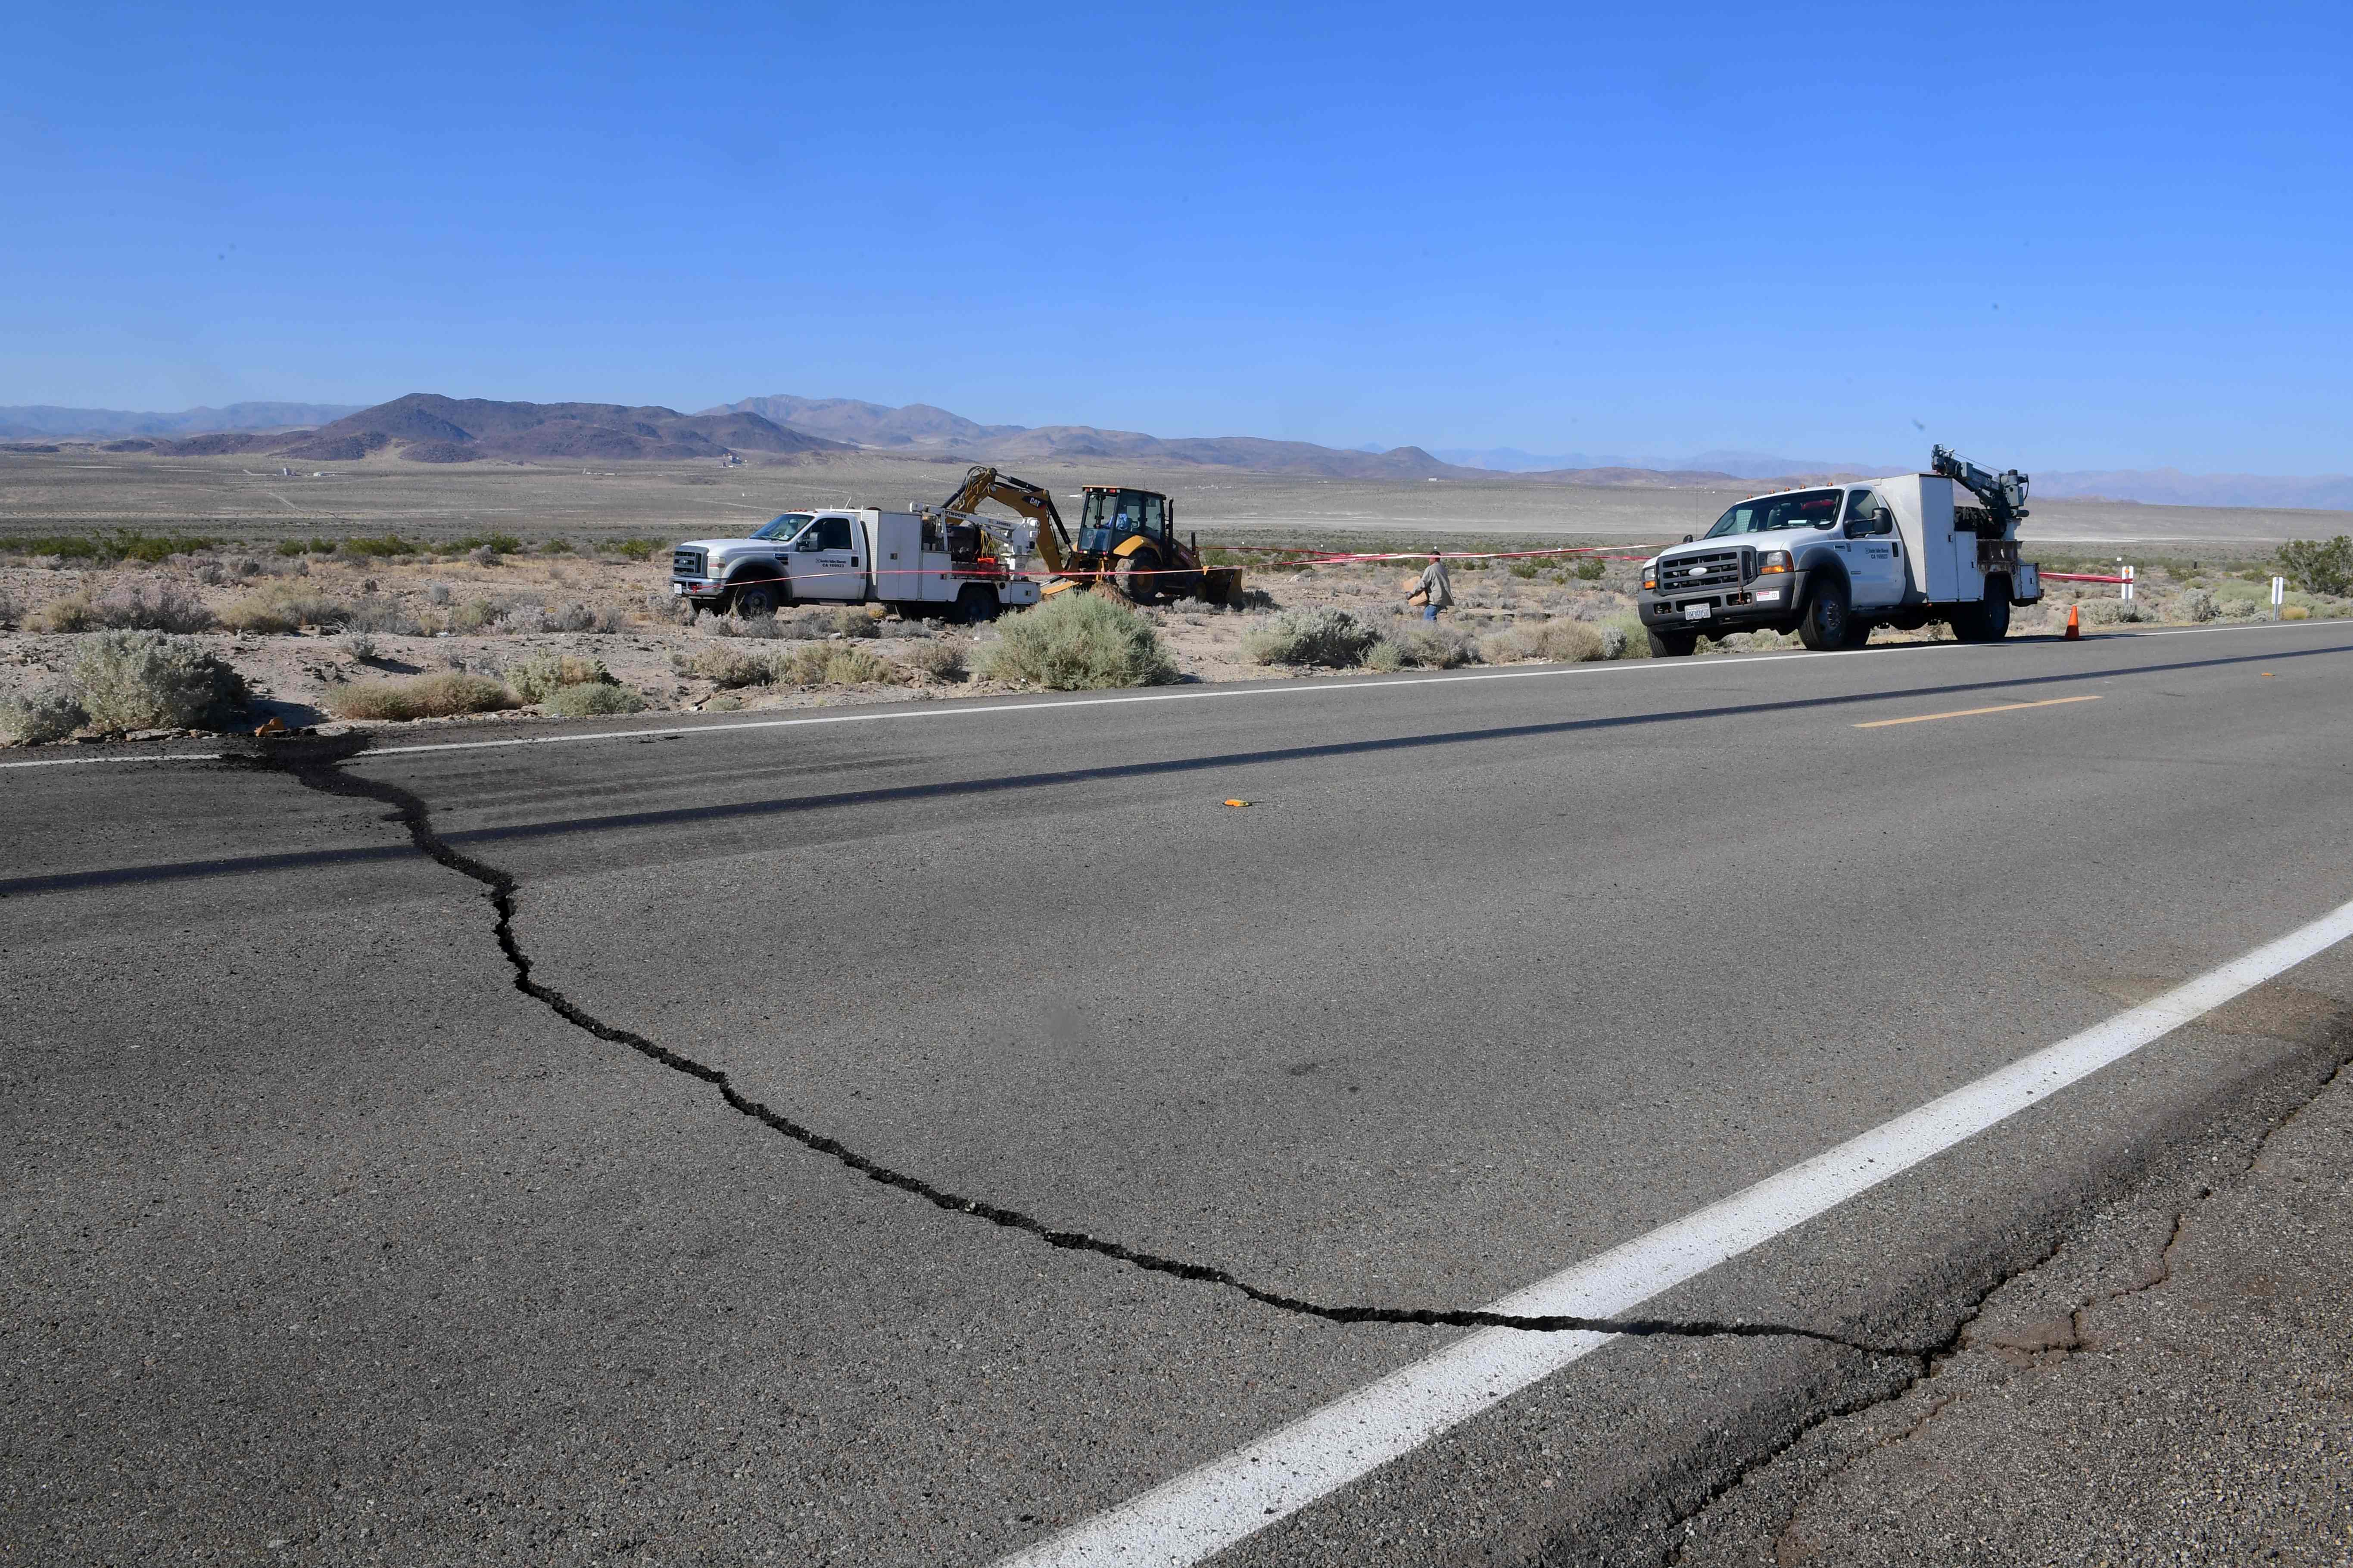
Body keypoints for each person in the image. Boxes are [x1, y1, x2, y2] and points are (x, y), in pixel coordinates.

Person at [1409, 551, 1453, 621]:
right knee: (1430, 616)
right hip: (1444, 598)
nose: (1429, 560)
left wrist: (1412, 593)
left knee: (1428, 619)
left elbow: (1423, 583)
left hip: (1436, 599)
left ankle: (1433, 631)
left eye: (1430, 558)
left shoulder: (1431, 568)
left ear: (1435, 559)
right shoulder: (1442, 568)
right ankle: (1435, 631)